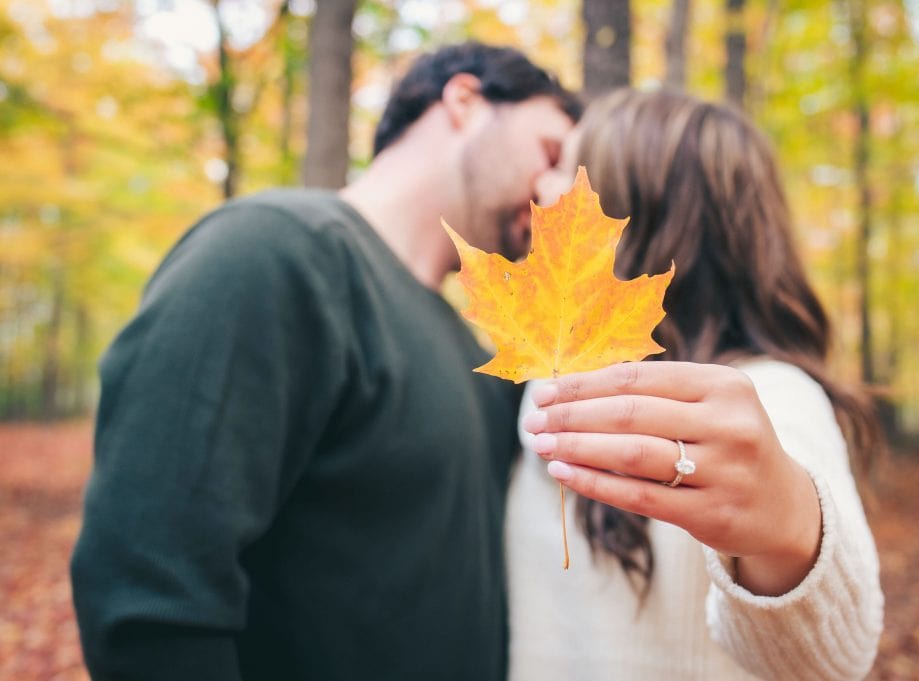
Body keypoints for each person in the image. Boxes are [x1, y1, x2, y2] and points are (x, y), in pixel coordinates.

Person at [70, 42, 580, 681]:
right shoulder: (274, 252)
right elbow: (150, 599)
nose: (557, 194)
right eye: (550, 153)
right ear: (464, 101)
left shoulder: (471, 353)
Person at [506, 89, 885, 680]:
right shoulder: (538, 382)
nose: (541, 185)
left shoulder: (766, 397)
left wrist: (790, 533)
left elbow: (829, 663)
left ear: (632, 214)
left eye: (564, 166)